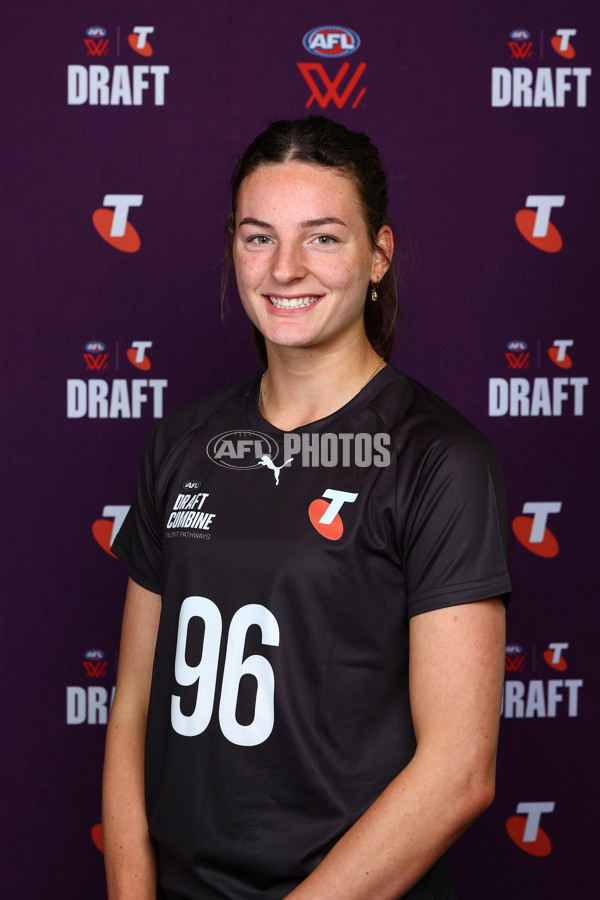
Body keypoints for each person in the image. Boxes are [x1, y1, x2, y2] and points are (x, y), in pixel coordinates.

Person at [102, 116, 510, 900]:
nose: (284, 269)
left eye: (322, 238)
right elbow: (133, 702)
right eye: (259, 237)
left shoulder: (437, 459)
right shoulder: (183, 442)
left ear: (378, 254)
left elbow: (461, 771)